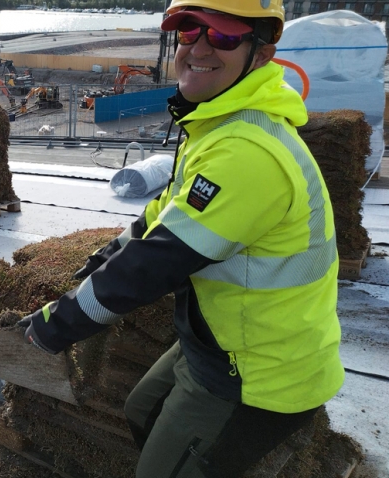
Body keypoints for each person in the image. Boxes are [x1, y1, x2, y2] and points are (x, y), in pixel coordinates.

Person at [20, 0, 344, 476]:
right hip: (221, 342)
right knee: (141, 413)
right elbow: (162, 215)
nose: (200, 47)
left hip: (261, 372)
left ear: (262, 52)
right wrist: (101, 258)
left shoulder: (248, 152)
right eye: (190, 31)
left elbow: (154, 265)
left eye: (225, 36)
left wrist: (53, 326)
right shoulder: (218, 123)